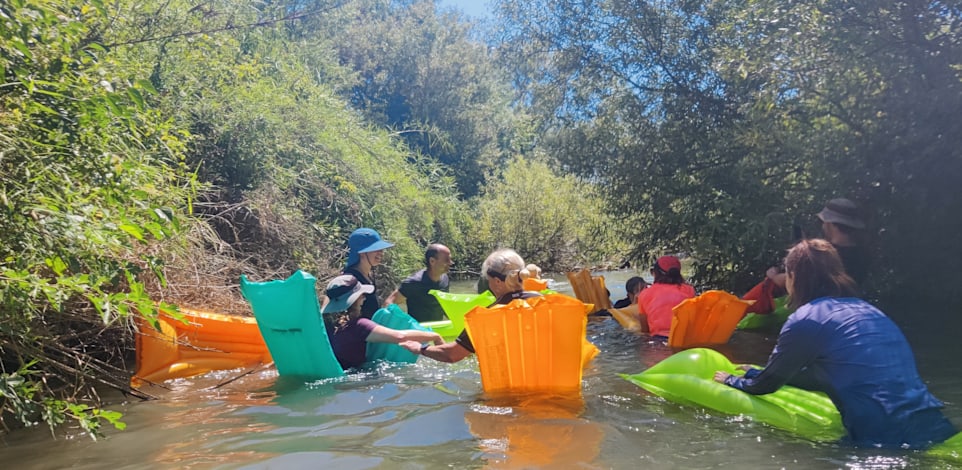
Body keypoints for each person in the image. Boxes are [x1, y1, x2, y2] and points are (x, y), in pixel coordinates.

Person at [714, 239, 956, 449]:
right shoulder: (868, 311)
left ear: (793, 277)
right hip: (933, 425)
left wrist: (731, 381)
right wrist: (757, 371)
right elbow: (824, 376)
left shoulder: (805, 319)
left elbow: (766, 385)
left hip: (882, 440)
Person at [400, 248, 541, 363]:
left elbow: (452, 355)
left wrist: (421, 348)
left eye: (488, 279)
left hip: (504, 391)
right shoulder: (546, 302)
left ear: (497, 282)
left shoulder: (485, 317)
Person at [744, 198, 869, 315]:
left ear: (831, 224)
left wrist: (774, 276)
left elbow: (799, 278)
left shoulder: (826, 254)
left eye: (824, 222)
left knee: (769, 285)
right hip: (847, 310)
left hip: (819, 309)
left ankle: (739, 311)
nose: (823, 226)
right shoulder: (861, 254)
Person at [322, 274, 443, 370]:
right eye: (362, 295)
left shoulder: (327, 326)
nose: (364, 298)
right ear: (355, 299)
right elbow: (400, 336)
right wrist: (434, 336)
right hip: (359, 379)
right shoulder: (359, 326)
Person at [386, 244, 453, 322]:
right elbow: (388, 303)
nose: (451, 263)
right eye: (446, 260)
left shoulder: (445, 279)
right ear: (432, 261)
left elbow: (444, 306)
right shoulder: (414, 282)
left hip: (437, 331)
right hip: (418, 331)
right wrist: (401, 322)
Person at [636, 256, 695, 337]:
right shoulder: (689, 290)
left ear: (656, 273)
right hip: (683, 339)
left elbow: (645, 331)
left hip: (658, 341)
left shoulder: (644, 294)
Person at [342, 227, 393, 319]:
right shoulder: (350, 280)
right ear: (361, 253)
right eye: (376, 249)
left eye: (381, 249)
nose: (381, 252)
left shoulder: (368, 275)